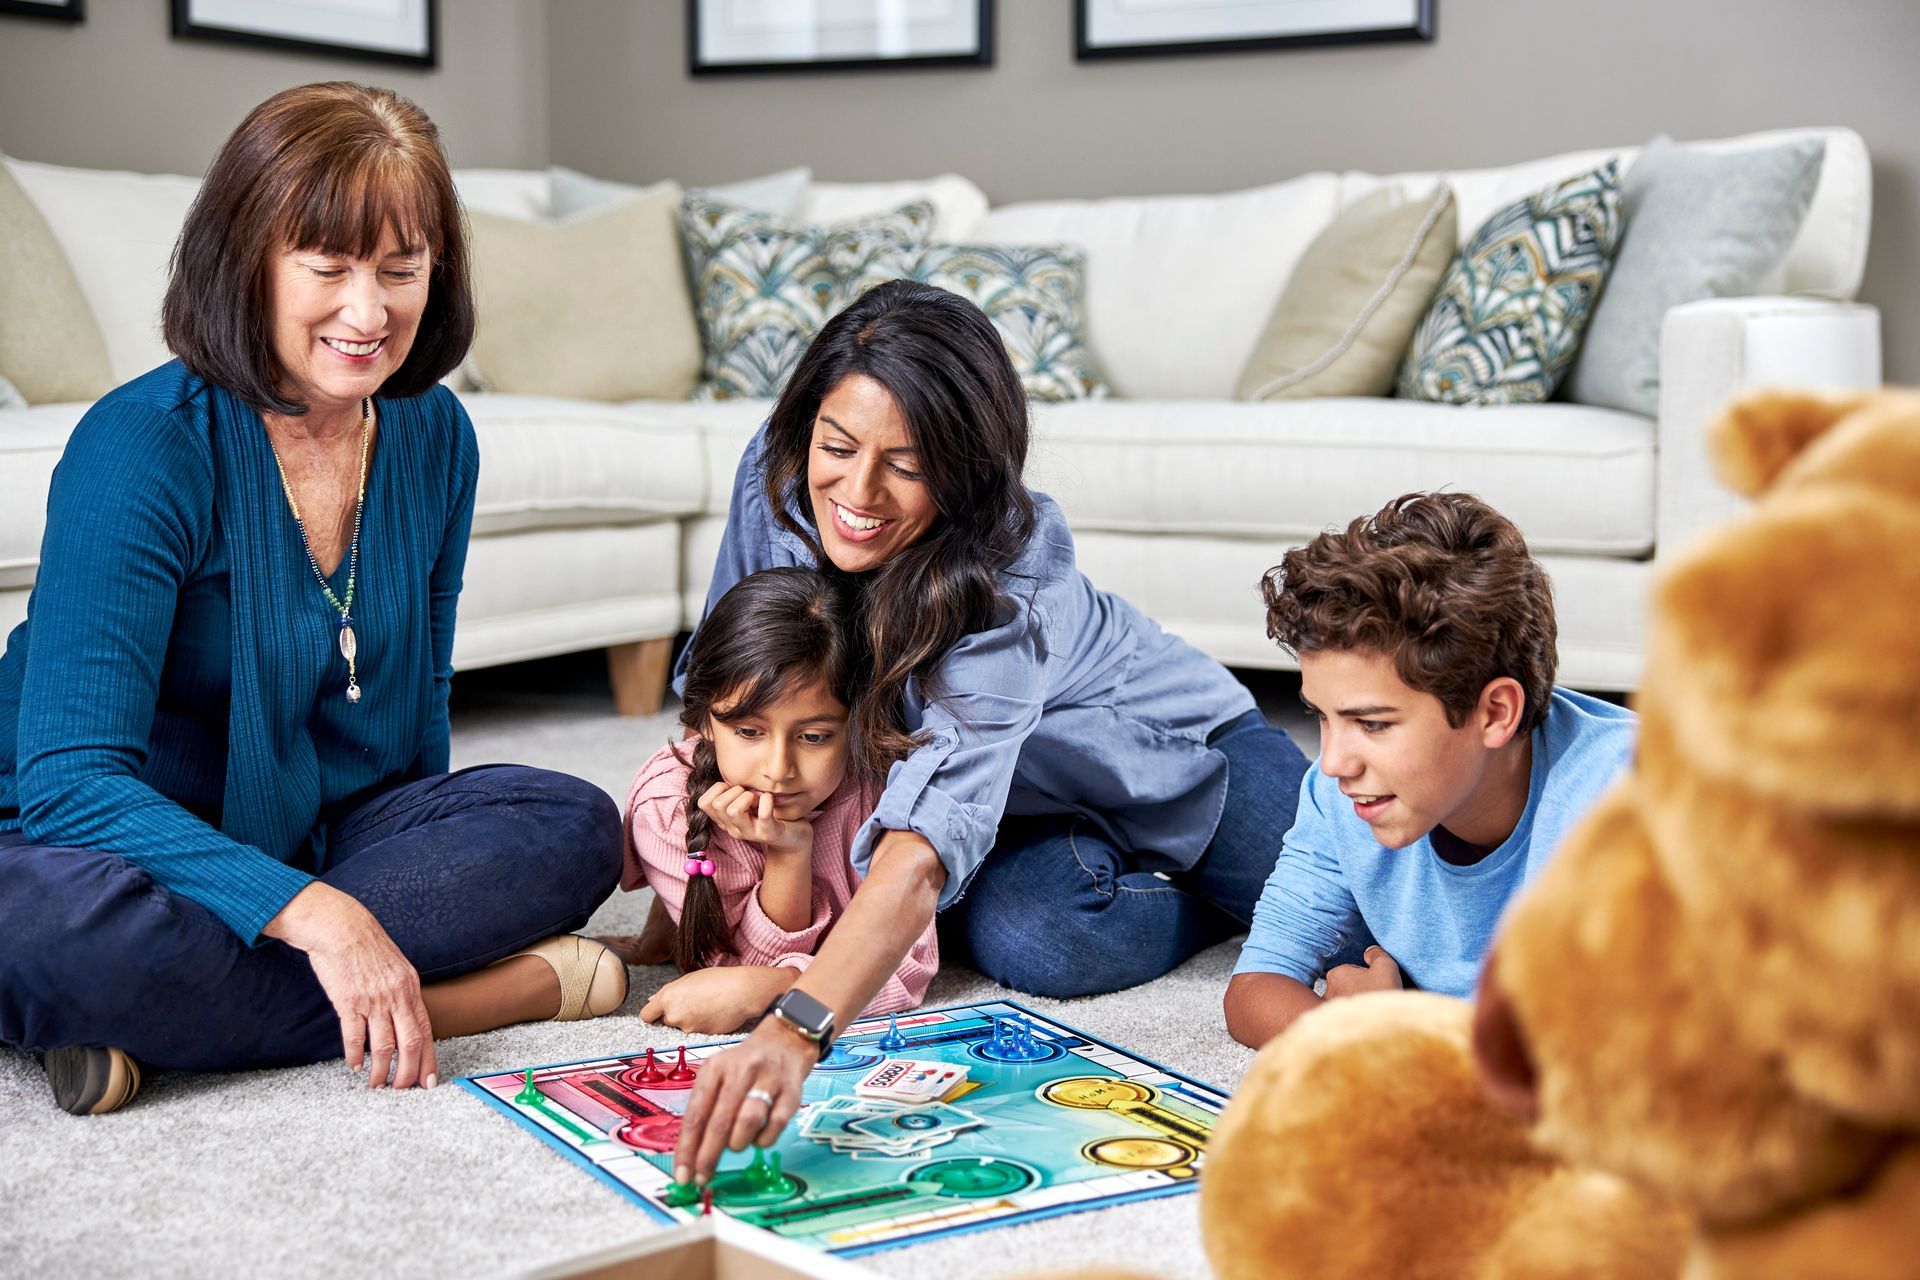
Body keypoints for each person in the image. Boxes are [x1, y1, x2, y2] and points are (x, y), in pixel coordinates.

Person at [0, 83, 626, 1116]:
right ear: (246, 260)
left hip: (310, 827)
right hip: (89, 837)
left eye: (401, 269)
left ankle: (174, 1025)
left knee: (573, 823)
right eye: (328, 267)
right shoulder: (144, 446)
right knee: (49, 932)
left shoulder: (434, 437)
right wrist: (320, 915)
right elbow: (69, 780)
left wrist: (412, 865)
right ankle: (484, 993)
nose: (368, 311)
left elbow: (419, 704)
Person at [663, 280, 1311, 1187]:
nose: (857, 491)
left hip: (1177, 758)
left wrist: (795, 1025)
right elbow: (728, 678)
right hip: (1009, 804)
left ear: (965, 470)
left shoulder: (1013, 574)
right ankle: (1160, 892)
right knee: (1036, 941)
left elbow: (921, 853)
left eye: (908, 464)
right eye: (838, 447)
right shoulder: (773, 474)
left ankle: (1206, 887)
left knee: (1350, 914)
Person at [1223, 491, 1637, 1050]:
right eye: (1320, 717)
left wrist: (1396, 1036)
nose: (1334, 762)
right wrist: (1337, 1028)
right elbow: (1253, 989)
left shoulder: (1629, 803)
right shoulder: (1336, 791)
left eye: (1372, 724)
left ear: (1494, 713)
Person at [601, 567, 936, 1034]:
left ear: (859, 726)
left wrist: (777, 988)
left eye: (815, 736)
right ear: (704, 722)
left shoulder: (880, 791)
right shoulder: (665, 807)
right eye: (748, 732)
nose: (778, 769)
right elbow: (731, 970)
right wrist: (787, 855)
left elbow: (909, 969)